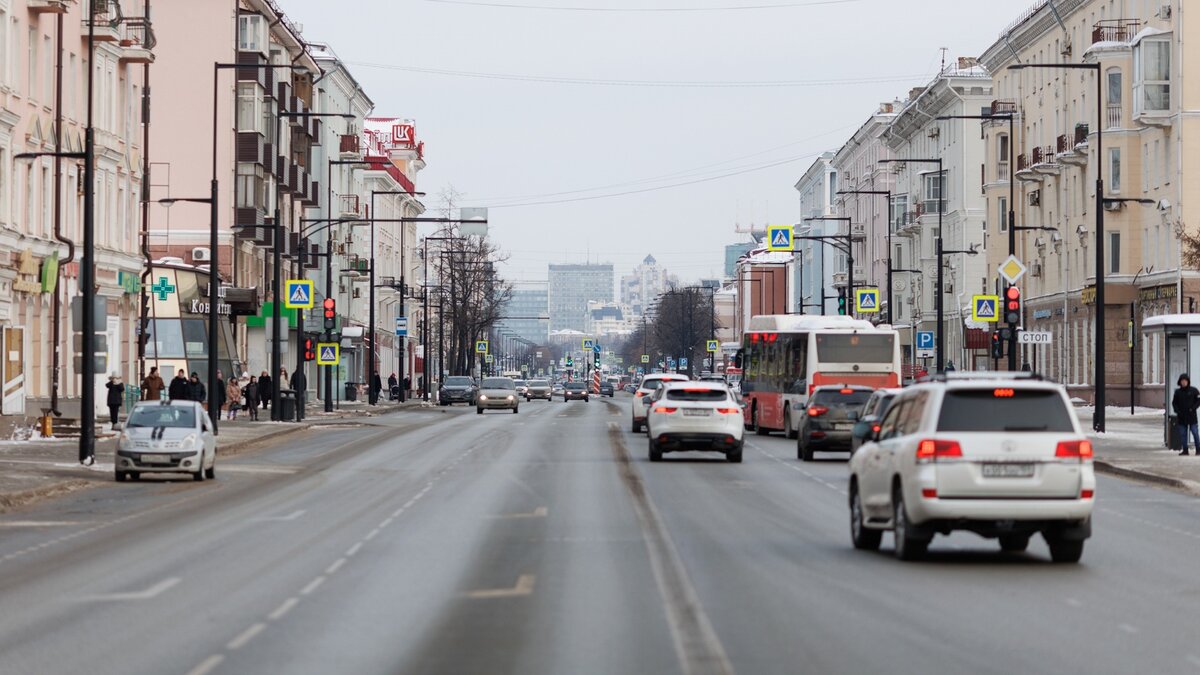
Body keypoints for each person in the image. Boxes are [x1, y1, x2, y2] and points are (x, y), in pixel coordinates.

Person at [1172, 373, 1200, 456]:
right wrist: (1177, 411)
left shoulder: (1194, 390)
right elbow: (1174, 403)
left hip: (1192, 416)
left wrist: (1193, 408)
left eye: (1185, 381)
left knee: (1195, 432)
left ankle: (1198, 449)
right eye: (1182, 381)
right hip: (1182, 416)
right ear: (1180, 382)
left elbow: (1198, 401)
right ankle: (1185, 450)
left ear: (1188, 381)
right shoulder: (1177, 392)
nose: (1184, 382)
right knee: (1183, 434)